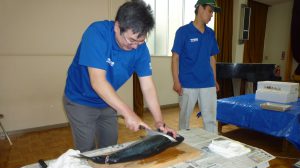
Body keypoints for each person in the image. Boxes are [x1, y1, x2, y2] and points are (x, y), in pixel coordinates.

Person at [64, 0, 176, 152]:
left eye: (141, 41)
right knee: (87, 150)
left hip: (107, 102)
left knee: (110, 147)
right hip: (80, 100)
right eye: (131, 40)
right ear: (117, 27)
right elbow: (98, 82)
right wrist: (128, 113)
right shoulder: (97, 34)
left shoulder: (140, 49)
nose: (135, 46)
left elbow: (148, 87)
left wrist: (159, 122)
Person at [171, 0, 220, 133]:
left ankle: (212, 147)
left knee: (210, 120)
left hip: (208, 83)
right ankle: (185, 147)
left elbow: (212, 58)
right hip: (188, 83)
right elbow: (175, 58)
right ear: (200, 9)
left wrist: (214, 80)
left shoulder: (211, 34)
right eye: (210, 11)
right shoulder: (183, 32)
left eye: (213, 12)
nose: (212, 15)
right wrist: (176, 81)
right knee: (184, 121)